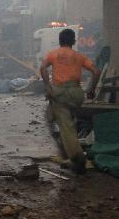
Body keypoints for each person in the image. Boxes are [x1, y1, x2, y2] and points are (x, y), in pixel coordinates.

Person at [39, 28, 101, 174]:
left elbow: (43, 68)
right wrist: (91, 90)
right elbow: (96, 72)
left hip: (60, 93)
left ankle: (78, 159)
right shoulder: (79, 56)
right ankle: (65, 147)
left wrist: (48, 86)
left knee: (63, 124)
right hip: (76, 94)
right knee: (64, 120)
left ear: (60, 41)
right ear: (73, 41)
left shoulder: (54, 54)